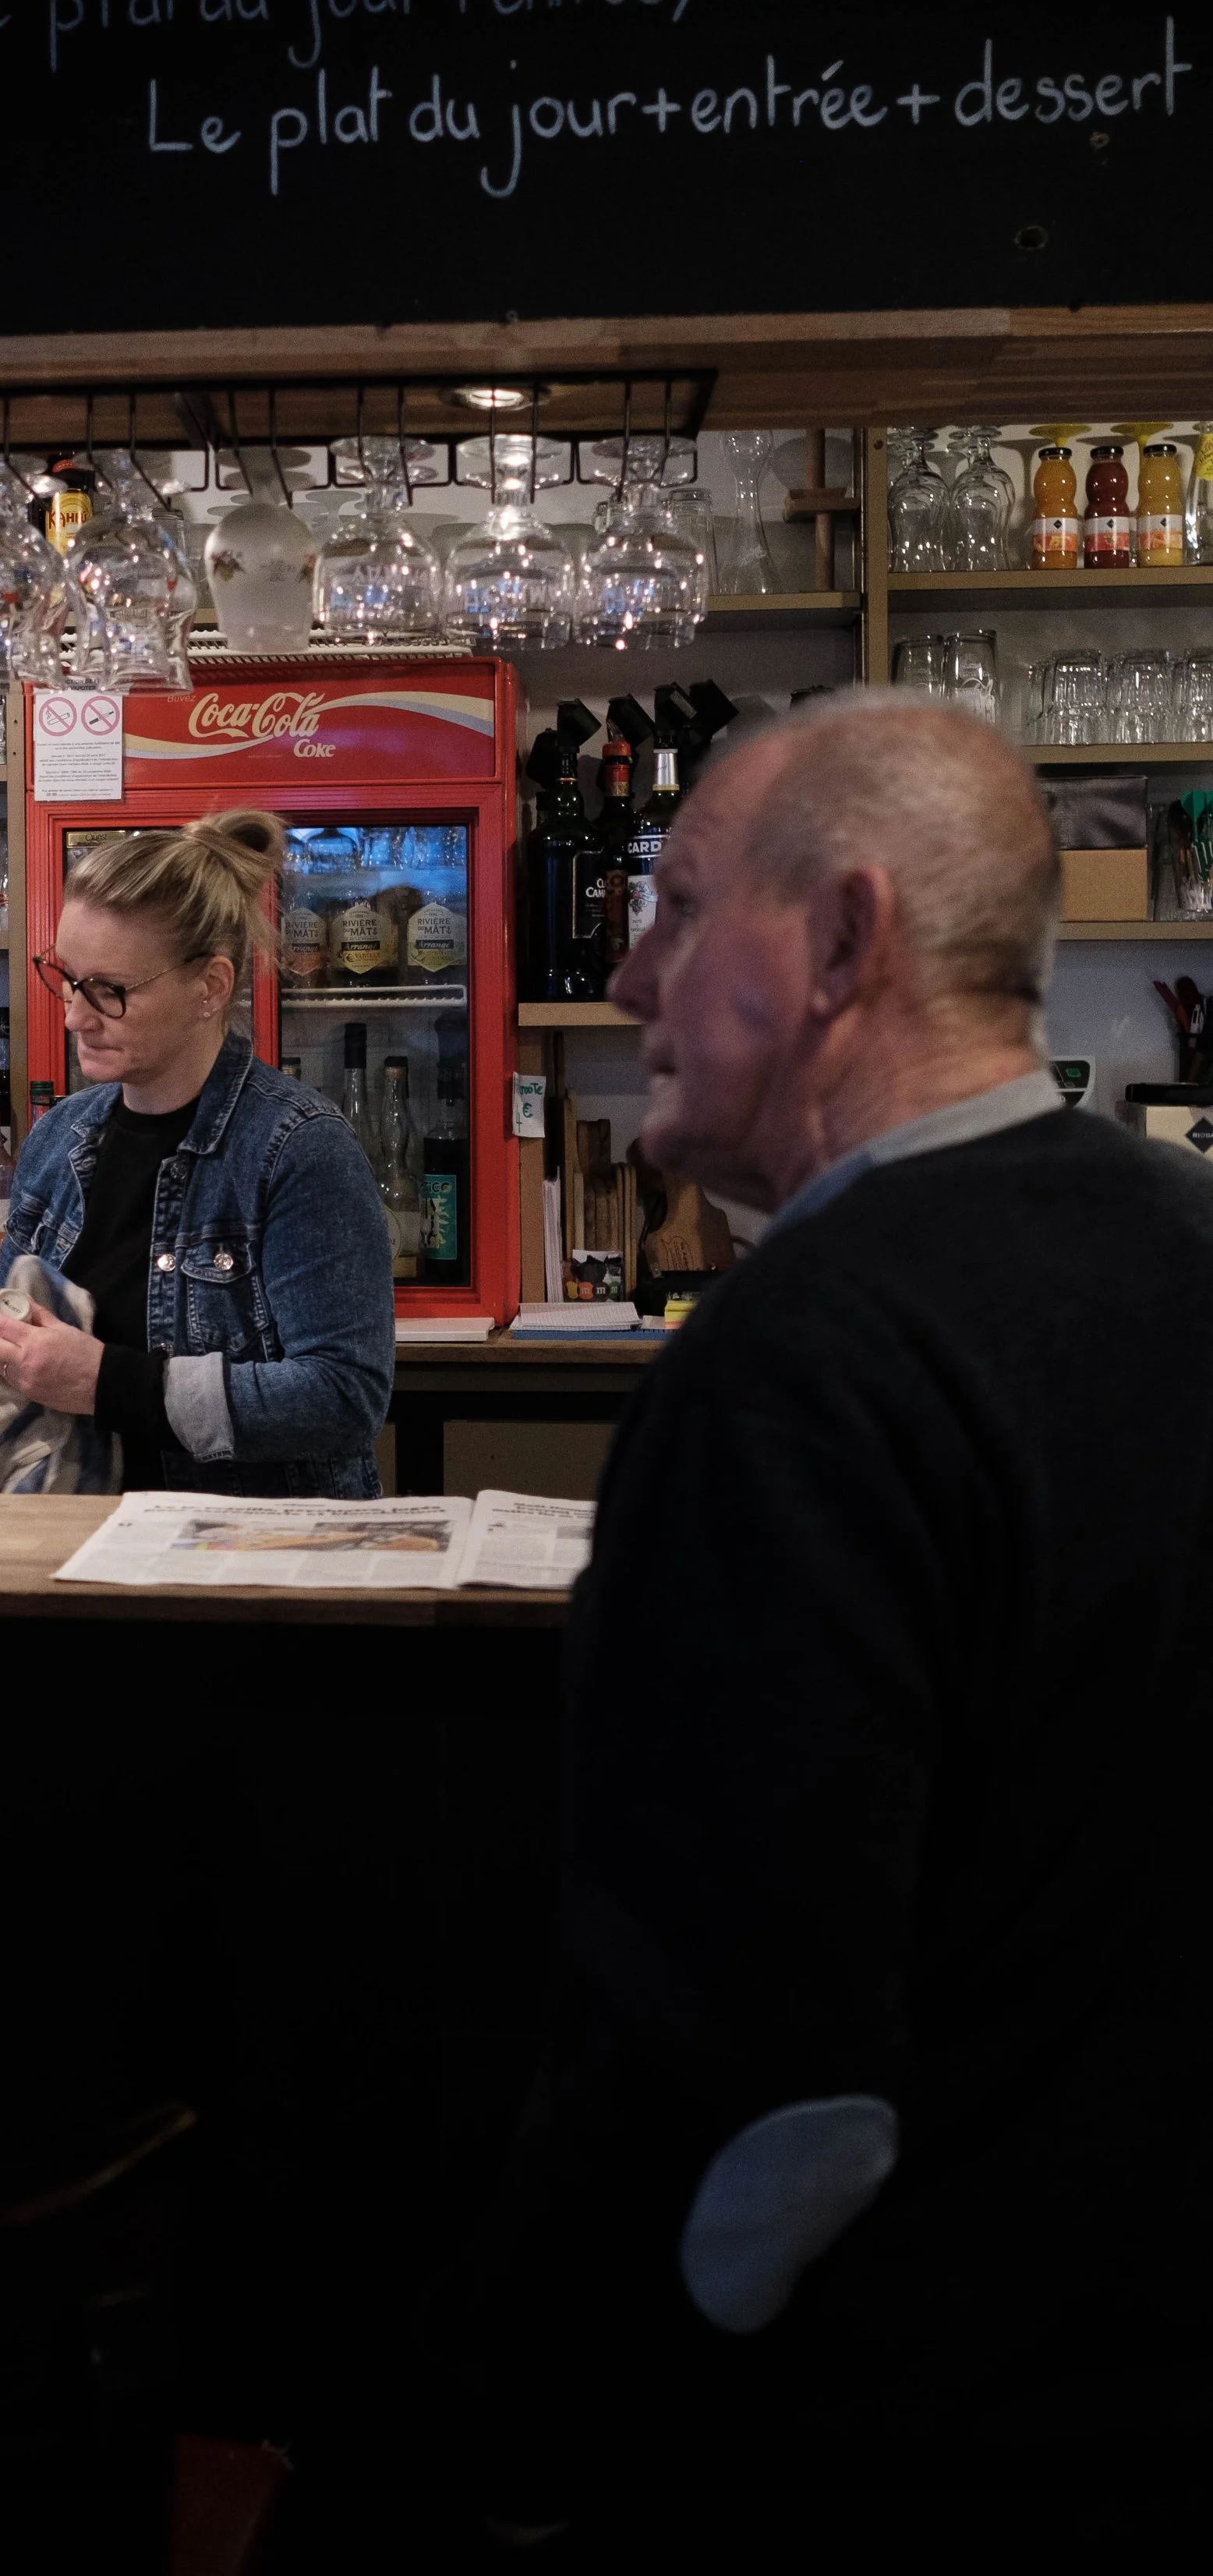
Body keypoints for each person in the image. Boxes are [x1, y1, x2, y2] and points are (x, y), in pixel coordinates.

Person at [488, 695, 1213, 2550]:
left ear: (840, 940)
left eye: (675, 904)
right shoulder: (1183, 1245)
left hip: (898, 2431)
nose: (635, 975)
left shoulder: (799, 1364)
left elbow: (745, 2065)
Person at [0, 809, 393, 1494]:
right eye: (69, 979)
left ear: (211, 986)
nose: (76, 1016)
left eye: (109, 992)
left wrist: (107, 1381)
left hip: (252, 1565)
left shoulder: (298, 1148)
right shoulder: (58, 1138)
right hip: (70, 1542)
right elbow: (5, 1341)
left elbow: (344, 1398)